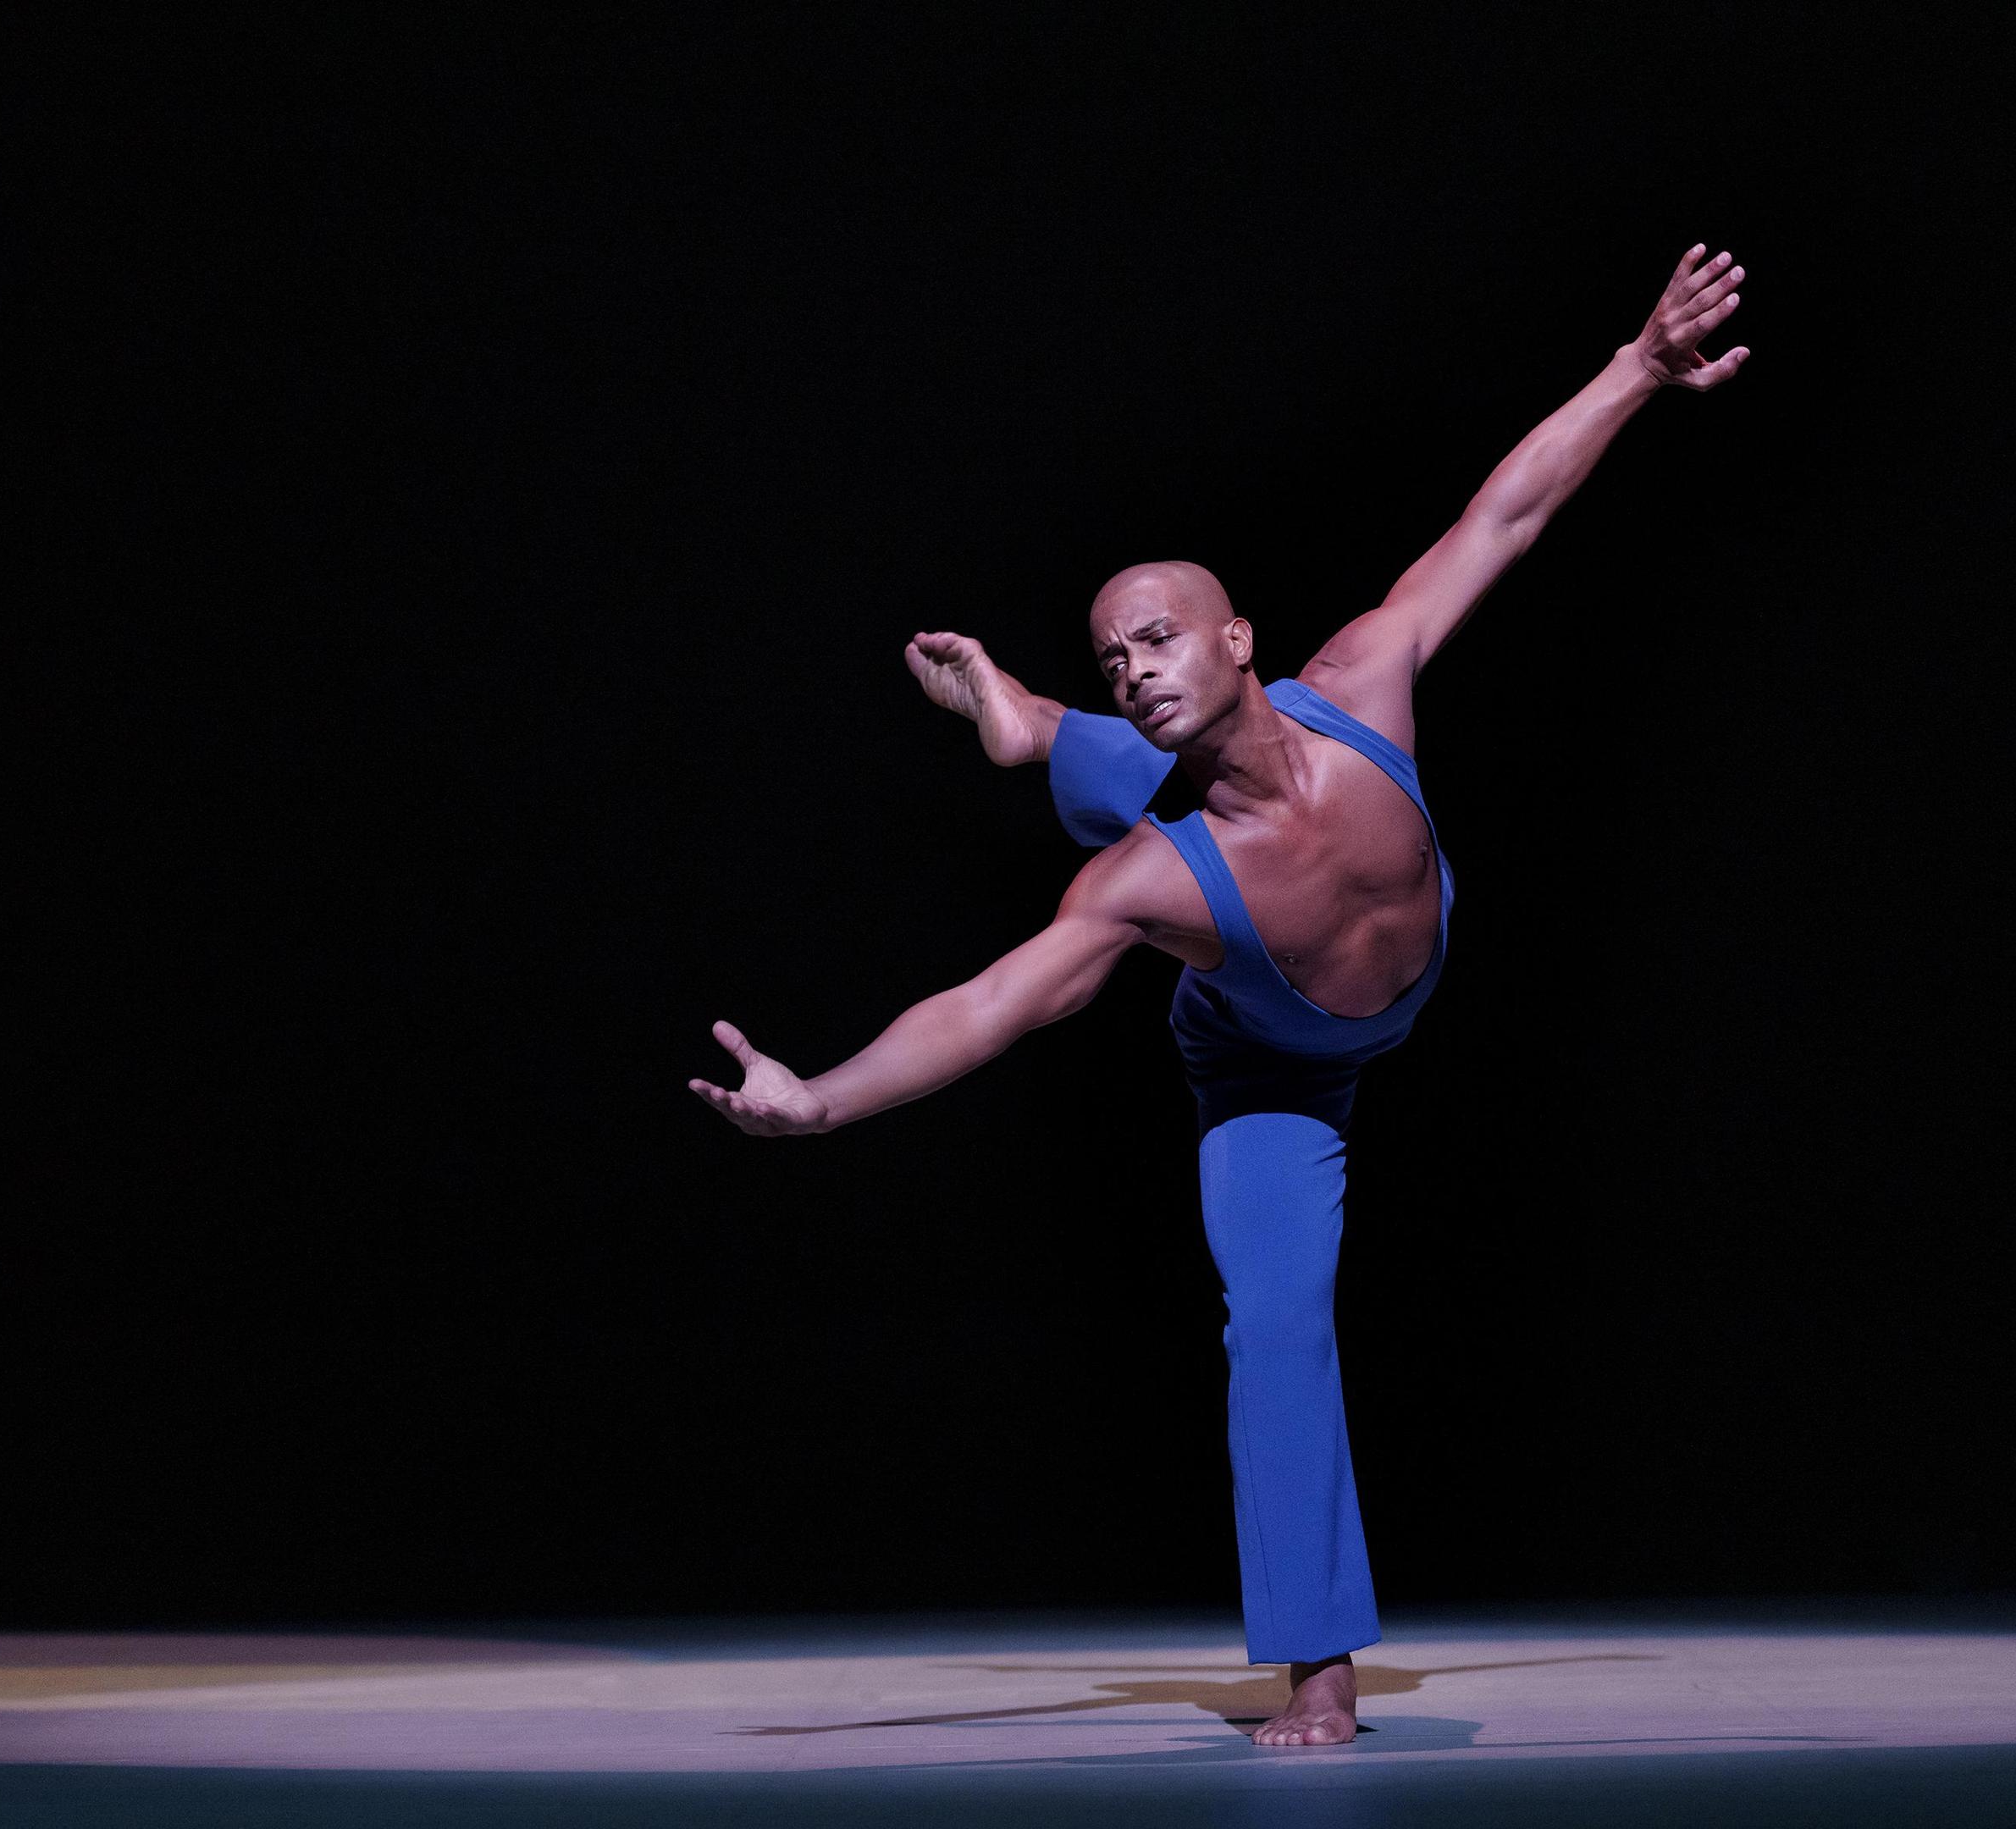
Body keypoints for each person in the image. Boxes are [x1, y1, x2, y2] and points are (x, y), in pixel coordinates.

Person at [691, 243, 1747, 1746]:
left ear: (1239, 637)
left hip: (1385, 944)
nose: (1138, 663)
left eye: (1159, 637)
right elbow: (993, 1005)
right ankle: (1319, 1671)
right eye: (1108, 656)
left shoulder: (1363, 676)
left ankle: (1023, 727)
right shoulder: (1150, 883)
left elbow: (1503, 515)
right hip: (1268, 1063)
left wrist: (1639, 366)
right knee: (1274, 1316)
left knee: (1149, 777)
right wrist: (821, 1099)